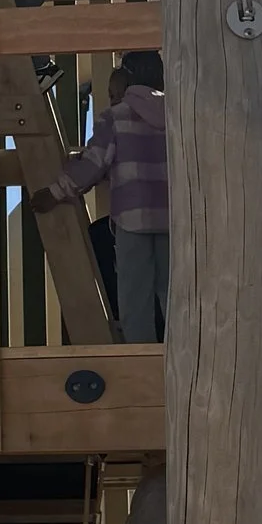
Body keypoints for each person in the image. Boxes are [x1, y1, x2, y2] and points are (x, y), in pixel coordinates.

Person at [37, 51, 169, 344]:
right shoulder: (177, 116)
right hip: (173, 219)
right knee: (170, 289)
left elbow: (94, 164)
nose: (109, 99)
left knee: (135, 292)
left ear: (125, 88)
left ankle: (140, 353)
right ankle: (177, 348)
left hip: (132, 220)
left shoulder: (116, 117)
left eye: (112, 94)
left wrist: (56, 191)